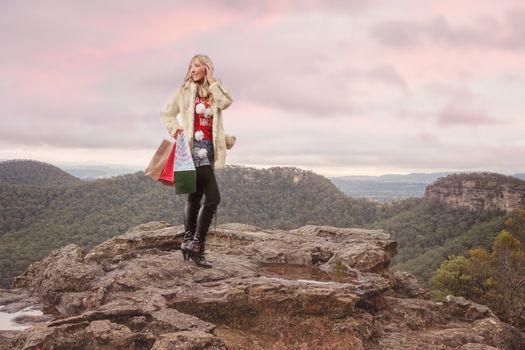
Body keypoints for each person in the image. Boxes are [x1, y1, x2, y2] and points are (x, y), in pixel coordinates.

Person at [160, 54, 234, 268]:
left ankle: (187, 241)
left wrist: (212, 81)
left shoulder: (213, 92)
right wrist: (176, 130)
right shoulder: (183, 92)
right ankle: (196, 245)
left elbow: (226, 103)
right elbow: (167, 114)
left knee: (195, 197)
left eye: (199, 65)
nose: (194, 69)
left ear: (207, 69)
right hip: (192, 150)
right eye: (192, 65)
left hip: (209, 150)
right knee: (213, 198)